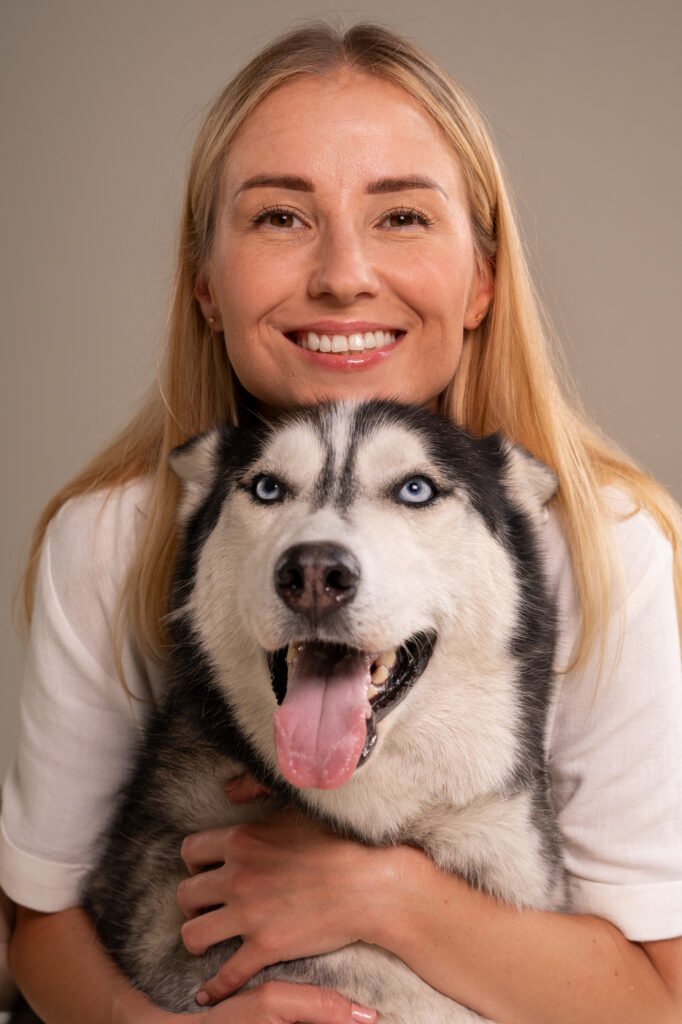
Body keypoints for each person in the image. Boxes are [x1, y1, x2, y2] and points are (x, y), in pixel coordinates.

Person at [2, 20, 681, 1024]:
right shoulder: (115, 539)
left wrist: (383, 892)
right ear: (205, 281)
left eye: (402, 216)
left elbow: (655, 1000)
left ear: (483, 277)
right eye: (280, 217)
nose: (342, 274)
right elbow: (37, 931)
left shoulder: (599, 540)